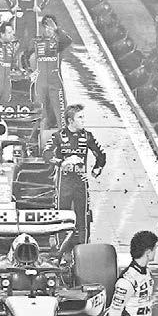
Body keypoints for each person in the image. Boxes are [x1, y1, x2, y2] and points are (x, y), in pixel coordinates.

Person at [42, 104, 106, 253]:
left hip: (81, 181)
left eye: (83, 117)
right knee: (61, 216)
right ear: (71, 121)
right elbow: (46, 154)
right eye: (80, 117)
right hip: (64, 182)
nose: (83, 120)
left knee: (82, 217)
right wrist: (62, 162)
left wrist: (97, 168)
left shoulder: (87, 136)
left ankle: (84, 250)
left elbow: (101, 154)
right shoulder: (58, 136)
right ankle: (60, 249)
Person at [26, 14, 72, 129]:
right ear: (42, 28)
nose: (48, 30)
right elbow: (26, 56)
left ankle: (63, 135)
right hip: (40, 83)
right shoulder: (35, 41)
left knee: (60, 113)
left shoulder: (59, 42)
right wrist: (30, 72)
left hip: (55, 83)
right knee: (39, 113)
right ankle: (38, 135)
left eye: (51, 28)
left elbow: (68, 41)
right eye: (46, 27)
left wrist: (57, 29)